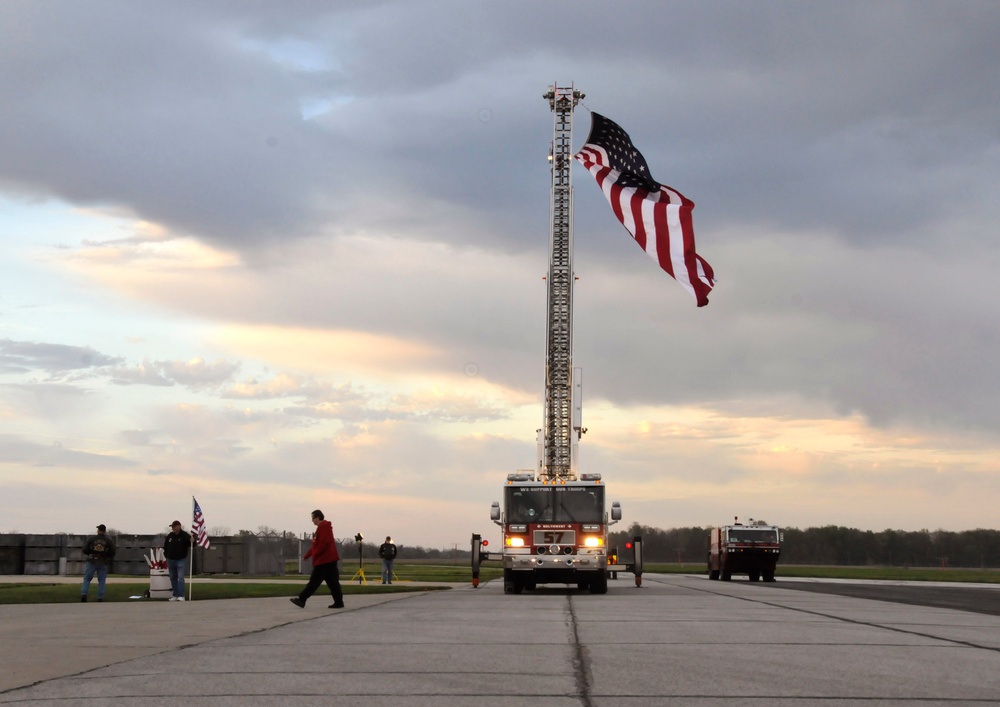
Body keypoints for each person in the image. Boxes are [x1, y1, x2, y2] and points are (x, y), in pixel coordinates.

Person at [290, 509, 344, 609]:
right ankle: (339, 602)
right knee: (333, 583)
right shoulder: (321, 528)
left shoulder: (324, 527)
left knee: (314, 582)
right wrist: (307, 555)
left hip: (324, 561)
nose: (312, 520)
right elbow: (316, 546)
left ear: (318, 517)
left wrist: (315, 554)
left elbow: (323, 544)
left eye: (313, 518)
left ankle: (302, 599)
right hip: (329, 561)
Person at [80, 524, 116, 602]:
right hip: (103, 561)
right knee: (101, 580)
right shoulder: (108, 541)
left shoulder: (92, 539)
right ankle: (100, 597)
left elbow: (85, 550)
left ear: (98, 530)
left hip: (91, 561)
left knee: (87, 579)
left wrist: (91, 552)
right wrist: (106, 555)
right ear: (105, 531)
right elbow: (113, 552)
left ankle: (84, 594)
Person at [163, 520, 191, 602]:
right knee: (172, 577)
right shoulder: (170, 536)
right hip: (171, 559)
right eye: (172, 527)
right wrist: (166, 555)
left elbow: (192, 543)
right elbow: (166, 546)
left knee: (181, 577)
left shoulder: (184, 535)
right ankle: (175, 594)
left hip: (180, 560)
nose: (172, 528)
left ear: (179, 526)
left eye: (174, 526)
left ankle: (181, 595)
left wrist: (192, 540)